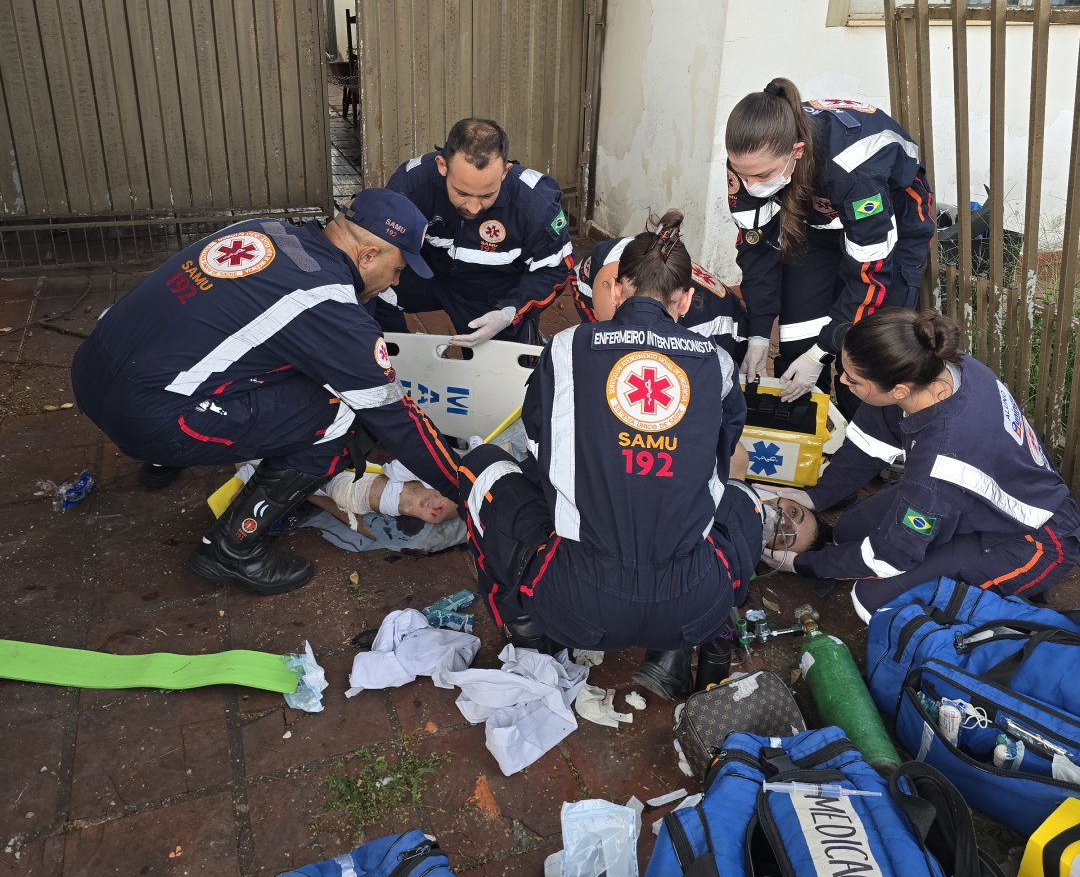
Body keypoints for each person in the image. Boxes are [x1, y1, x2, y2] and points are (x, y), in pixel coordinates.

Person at [71, 189, 461, 595]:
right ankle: (231, 549)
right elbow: (395, 417)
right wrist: (464, 485)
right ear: (367, 257)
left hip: (94, 369)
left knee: (244, 349)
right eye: (397, 269)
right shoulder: (324, 302)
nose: (397, 281)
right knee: (339, 409)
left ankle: (161, 464)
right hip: (150, 419)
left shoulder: (264, 229)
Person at [455, 210, 761, 700]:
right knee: (747, 501)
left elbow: (540, 444)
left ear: (617, 290)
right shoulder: (718, 363)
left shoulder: (566, 347)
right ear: (684, 301)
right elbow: (719, 457)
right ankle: (706, 645)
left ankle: (531, 636)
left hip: (574, 603)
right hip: (693, 602)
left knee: (482, 467)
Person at [764, 309, 1080, 620]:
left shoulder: (939, 466)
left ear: (899, 390)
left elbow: (889, 557)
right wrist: (815, 497)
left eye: (854, 380)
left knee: (873, 602)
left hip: (1035, 541)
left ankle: (1006, 603)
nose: (844, 381)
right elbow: (868, 442)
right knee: (849, 531)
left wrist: (802, 565)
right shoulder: (929, 364)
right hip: (974, 500)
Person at [726, 79, 934, 416]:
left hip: (890, 222)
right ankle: (808, 440)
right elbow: (757, 248)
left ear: (797, 151)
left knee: (870, 355)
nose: (750, 185)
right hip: (817, 220)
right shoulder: (750, 156)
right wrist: (760, 333)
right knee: (796, 342)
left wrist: (823, 351)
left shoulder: (853, 169)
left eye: (761, 176)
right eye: (742, 175)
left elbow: (871, 274)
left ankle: (868, 449)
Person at [374, 118, 574, 346]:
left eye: (487, 195)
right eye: (462, 192)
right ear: (442, 166)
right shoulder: (411, 183)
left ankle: (528, 338)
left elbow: (554, 268)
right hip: (429, 273)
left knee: (504, 373)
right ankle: (392, 358)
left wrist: (511, 311)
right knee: (370, 288)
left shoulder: (536, 205)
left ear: (505, 172)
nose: (473, 208)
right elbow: (381, 244)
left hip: (494, 292)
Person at [572, 236, 748, 366]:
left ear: (682, 303)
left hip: (730, 338)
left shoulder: (703, 337)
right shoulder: (598, 264)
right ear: (616, 291)